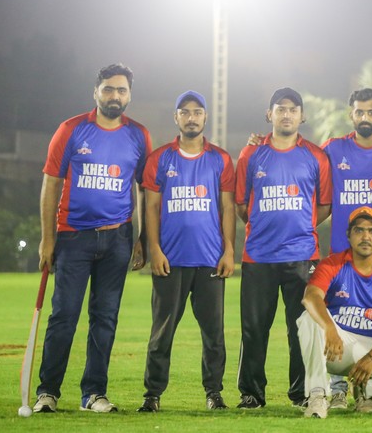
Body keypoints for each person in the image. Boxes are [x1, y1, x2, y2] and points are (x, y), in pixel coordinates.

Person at [33, 63, 152, 414]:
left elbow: (144, 189)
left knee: (105, 319)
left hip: (118, 239)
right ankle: (47, 392)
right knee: (64, 316)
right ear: (96, 92)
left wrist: (142, 238)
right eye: (108, 89)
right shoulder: (71, 129)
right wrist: (47, 240)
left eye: (122, 90)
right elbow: (51, 183)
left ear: (129, 95)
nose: (115, 96)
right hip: (74, 238)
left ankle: (94, 394)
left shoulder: (139, 135)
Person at [137, 90, 236, 412]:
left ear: (205, 117)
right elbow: (151, 207)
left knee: (214, 334)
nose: (191, 117)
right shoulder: (160, 159)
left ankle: (214, 393)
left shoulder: (220, 159)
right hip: (170, 260)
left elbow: (227, 207)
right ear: (176, 117)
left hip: (210, 260)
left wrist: (229, 250)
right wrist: (154, 248)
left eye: (197, 112)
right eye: (185, 112)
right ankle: (152, 395)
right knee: (162, 332)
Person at [234, 87, 332, 409]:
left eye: (293, 109)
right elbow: (241, 204)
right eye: (280, 109)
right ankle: (251, 393)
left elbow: (325, 205)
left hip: (302, 256)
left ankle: (301, 393)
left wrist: (301, 226)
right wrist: (263, 225)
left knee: (302, 329)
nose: (286, 114)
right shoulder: (251, 154)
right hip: (258, 256)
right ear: (269, 114)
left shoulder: (316, 156)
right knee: (254, 328)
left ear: (302, 116)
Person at [319, 87, 372, 409]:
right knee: (338, 315)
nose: (365, 117)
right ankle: (338, 386)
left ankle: (365, 386)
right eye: (359, 112)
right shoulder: (333, 148)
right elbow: (302, 155)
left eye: (370, 112)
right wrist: (264, 141)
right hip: (342, 251)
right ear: (351, 114)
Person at [297, 206, 372, 419]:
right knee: (308, 318)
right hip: (336, 345)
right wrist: (329, 328)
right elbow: (310, 296)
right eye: (359, 230)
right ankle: (317, 395)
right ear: (349, 235)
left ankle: (365, 388)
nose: (365, 236)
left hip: (371, 345)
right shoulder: (332, 264)